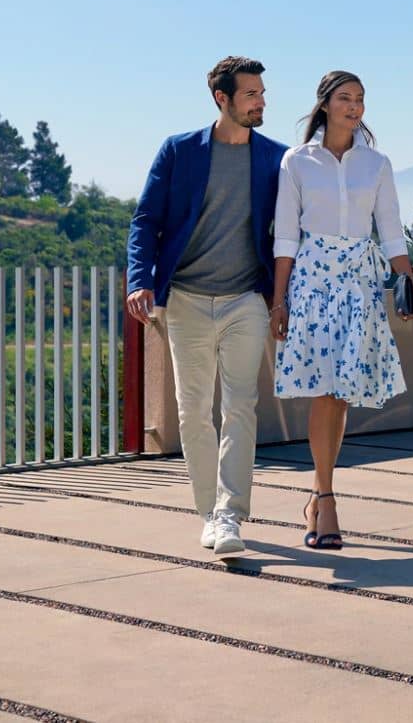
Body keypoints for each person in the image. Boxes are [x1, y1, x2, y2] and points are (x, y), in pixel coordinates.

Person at [127, 56, 288, 556]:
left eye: (262, 93)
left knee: (240, 405)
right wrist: (140, 280)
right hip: (187, 301)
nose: (261, 102)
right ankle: (209, 513)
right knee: (193, 411)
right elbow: (145, 221)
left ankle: (229, 514)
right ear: (223, 99)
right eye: (251, 94)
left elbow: (291, 231)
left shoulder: (275, 158)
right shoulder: (179, 151)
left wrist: (283, 299)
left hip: (246, 299)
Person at [271, 70, 413, 550]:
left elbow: (391, 229)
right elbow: (285, 236)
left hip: (359, 282)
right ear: (325, 104)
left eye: (360, 99)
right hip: (312, 282)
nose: (354, 107)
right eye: (345, 98)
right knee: (323, 390)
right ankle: (327, 498)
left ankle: (319, 494)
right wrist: (279, 300)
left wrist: (406, 281)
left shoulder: (376, 163)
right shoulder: (297, 161)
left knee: (341, 392)